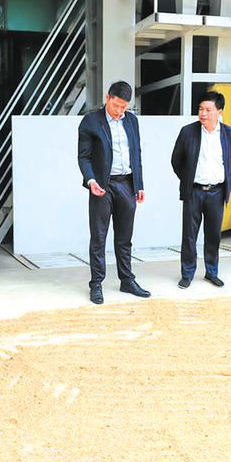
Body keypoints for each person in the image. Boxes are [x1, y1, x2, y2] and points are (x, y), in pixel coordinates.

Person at [77, 81, 151, 304]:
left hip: (127, 184)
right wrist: (91, 180)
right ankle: (96, 284)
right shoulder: (91, 121)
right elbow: (84, 156)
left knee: (124, 237)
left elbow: (136, 153)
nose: (119, 111)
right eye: (116, 105)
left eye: (124, 107)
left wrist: (139, 184)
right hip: (102, 186)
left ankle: (127, 280)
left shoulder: (132, 121)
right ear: (107, 98)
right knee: (98, 238)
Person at [171, 91, 231, 289]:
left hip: (217, 192)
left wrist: (219, 179)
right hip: (194, 191)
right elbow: (176, 160)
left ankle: (211, 272)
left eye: (208, 110)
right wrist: (188, 180)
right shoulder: (188, 132)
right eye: (201, 109)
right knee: (189, 234)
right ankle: (187, 273)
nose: (203, 113)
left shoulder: (229, 134)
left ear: (219, 112)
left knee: (213, 234)